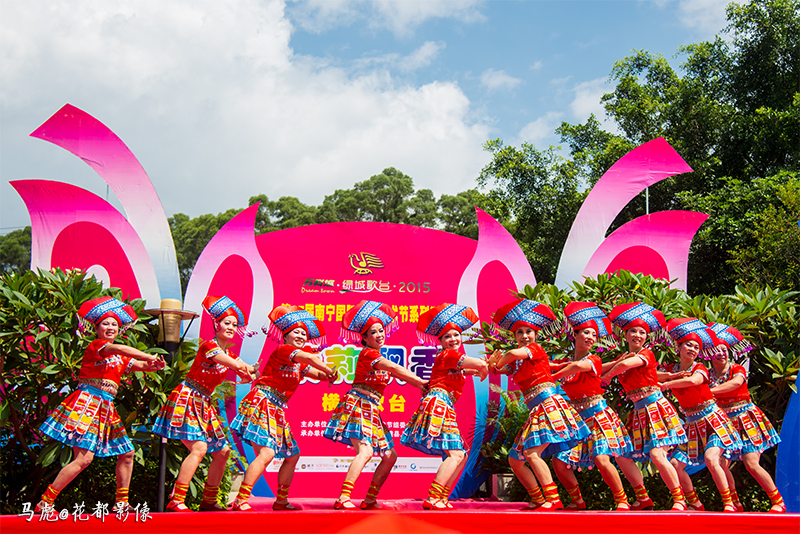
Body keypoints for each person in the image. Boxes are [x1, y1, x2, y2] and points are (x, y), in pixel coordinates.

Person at [37, 296, 165, 513]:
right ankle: (45, 502)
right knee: (84, 459)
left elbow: (141, 365)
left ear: (119, 329)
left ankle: (121, 503)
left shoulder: (120, 356)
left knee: (127, 453)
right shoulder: (98, 346)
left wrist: (155, 365)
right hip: (88, 404)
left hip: (106, 408)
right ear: (96, 328)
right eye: (106, 323)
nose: (110, 327)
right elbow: (123, 351)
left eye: (114, 324)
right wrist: (148, 355)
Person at [152, 295, 256, 512]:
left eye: (234, 325)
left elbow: (245, 369)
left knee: (223, 452)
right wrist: (245, 370)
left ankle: (208, 500)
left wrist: (249, 371)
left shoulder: (230, 353)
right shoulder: (210, 346)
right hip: (188, 398)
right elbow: (231, 363)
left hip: (204, 404)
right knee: (199, 448)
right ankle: (176, 500)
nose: (230, 327)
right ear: (216, 324)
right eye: (226, 323)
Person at [229, 305, 337, 511]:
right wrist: (327, 368)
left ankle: (280, 501)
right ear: (285, 336)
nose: (300, 336)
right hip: (263, 402)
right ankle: (241, 500)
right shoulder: (283, 350)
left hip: (276, 409)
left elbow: (319, 374)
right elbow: (313, 359)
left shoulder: (299, 363)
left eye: (304, 334)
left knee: (292, 455)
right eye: (296, 332)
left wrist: (330, 375)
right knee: (267, 453)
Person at [323, 300, 428, 510]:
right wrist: (420, 382)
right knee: (365, 451)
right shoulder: (369, 354)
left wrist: (419, 384)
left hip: (371, 408)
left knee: (390, 456)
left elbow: (395, 369)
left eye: (381, 330)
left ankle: (370, 498)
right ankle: (343, 498)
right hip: (358, 404)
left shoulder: (378, 354)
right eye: (373, 332)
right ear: (364, 338)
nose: (379, 334)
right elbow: (394, 368)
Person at [488, 298, 590, 511]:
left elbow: (512, 354)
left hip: (548, 405)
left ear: (535, 335)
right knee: (516, 460)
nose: (525, 336)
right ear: (514, 336)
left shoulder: (534, 349)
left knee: (532, 454)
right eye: (520, 332)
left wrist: (498, 361)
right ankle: (540, 498)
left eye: (529, 332)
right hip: (536, 410)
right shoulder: (517, 362)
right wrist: (491, 366)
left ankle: (553, 499)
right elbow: (499, 369)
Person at [550, 302, 653, 511]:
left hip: (598, 414)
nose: (590, 337)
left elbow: (578, 367)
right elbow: (558, 365)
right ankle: (577, 500)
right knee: (559, 462)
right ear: (575, 335)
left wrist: (551, 376)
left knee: (601, 458)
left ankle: (622, 500)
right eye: (586, 333)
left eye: (594, 335)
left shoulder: (593, 359)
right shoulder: (567, 362)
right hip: (577, 420)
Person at [401, 303, 489, 510]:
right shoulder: (449, 355)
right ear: (440, 341)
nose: (453, 340)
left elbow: (471, 370)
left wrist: (485, 367)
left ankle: (441, 497)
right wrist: (486, 365)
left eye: (456, 335)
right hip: (439, 403)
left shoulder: (453, 362)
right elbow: (479, 365)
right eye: (447, 337)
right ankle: (433, 498)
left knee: (461, 454)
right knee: (457, 454)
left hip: (442, 404)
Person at [601, 302, 688, 510]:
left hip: (655, 408)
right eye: (633, 331)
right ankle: (643, 498)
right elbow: (649, 374)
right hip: (639, 412)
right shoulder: (625, 357)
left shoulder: (645, 353)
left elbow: (625, 366)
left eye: (641, 332)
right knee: (622, 455)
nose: (637, 335)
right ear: (625, 335)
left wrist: (608, 375)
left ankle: (680, 500)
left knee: (658, 454)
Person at [660, 318, 743, 512]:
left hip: (712, 420)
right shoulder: (672, 370)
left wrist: (668, 384)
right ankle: (695, 504)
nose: (692, 349)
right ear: (678, 348)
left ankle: (729, 504)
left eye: (697, 347)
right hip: (691, 424)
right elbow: (652, 375)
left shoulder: (700, 368)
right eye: (688, 345)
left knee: (712, 459)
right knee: (675, 464)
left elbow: (695, 381)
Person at [707, 321, 785, 513]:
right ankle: (734, 503)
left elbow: (735, 384)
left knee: (751, 463)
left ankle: (778, 502)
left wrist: (709, 392)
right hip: (724, 423)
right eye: (718, 350)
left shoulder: (736, 369)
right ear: (709, 354)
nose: (722, 353)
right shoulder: (707, 374)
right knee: (719, 463)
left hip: (745, 419)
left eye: (725, 349)